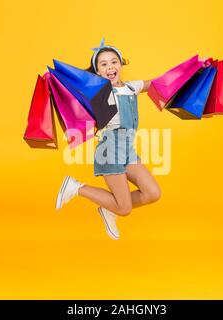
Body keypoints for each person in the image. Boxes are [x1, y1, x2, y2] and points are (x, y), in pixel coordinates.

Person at [55, 38, 161, 240]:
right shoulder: (100, 93)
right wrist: (53, 80)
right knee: (125, 209)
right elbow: (70, 90)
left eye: (114, 61)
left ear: (121, 64)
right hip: (110, 151)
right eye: (103, 64)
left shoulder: (131, 87)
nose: (110, 67)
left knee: (152, 193)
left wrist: (192, 73)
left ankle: (108, 208)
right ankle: (76, 187)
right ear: (97, 72)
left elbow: (157, 83)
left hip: (128, 150)